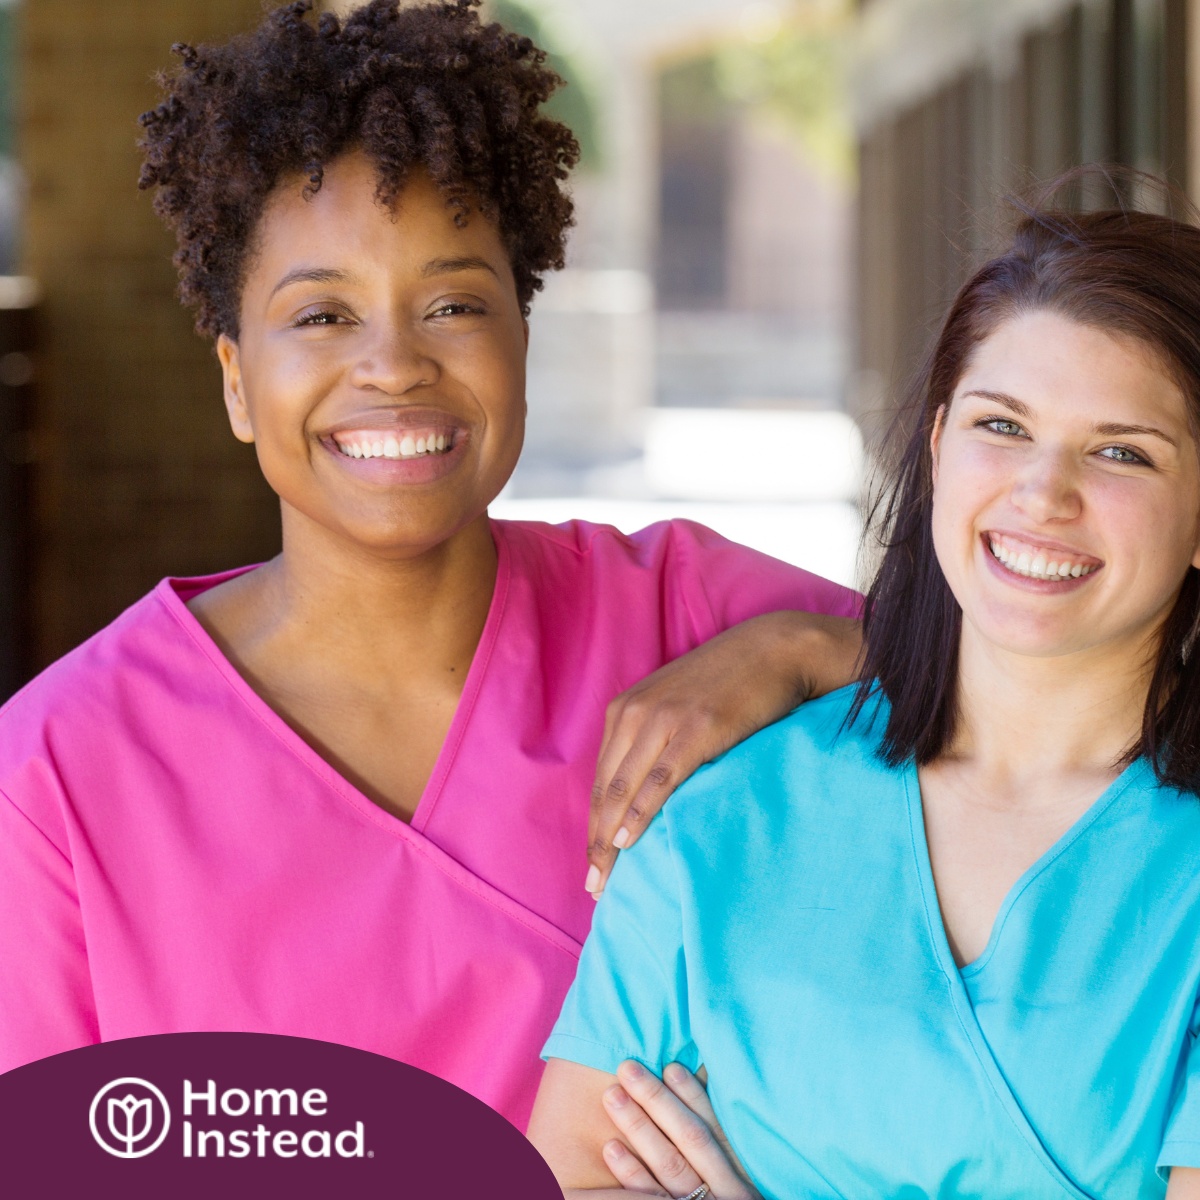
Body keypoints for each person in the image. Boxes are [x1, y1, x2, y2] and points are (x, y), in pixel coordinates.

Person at [0, 0, 860, 1132]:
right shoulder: (62, 768)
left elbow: (1068, 699)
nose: (394, 365)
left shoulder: (687, 618)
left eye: (454, 303)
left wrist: (805, 651)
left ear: (520, 338)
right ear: (234, 381)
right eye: (320, 315)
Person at [529, 191, 1200, 1197]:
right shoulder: (720, 820)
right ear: (936, 450)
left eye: (1121, 451)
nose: (1042, 492)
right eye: (1002, 425)